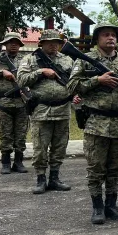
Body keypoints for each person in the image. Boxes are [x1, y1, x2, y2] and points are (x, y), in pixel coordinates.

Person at [67, 23, 118, 224]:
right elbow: (71, 86)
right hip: (97, 122)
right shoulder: (85, 60)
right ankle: (97, 207)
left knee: (116, 167)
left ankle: (111, 204)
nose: (110, 38)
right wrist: (98, 80)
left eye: (113, 35)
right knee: (96, 168)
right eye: (106, 35)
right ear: (97, 39)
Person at [17, 30, 75, 194]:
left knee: (60, 146)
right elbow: (20, 80)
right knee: (40, 147)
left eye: (56, 41)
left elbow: (76, 80)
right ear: (41, 43)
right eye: (49, 41)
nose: (53, 44)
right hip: (41, 110)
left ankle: (55, 178)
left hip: (63, 109)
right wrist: (40, 72)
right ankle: (41, 179)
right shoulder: (30, 59)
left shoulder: (67, 60)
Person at [0, 32, 29, 174]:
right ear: (5, 44)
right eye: (10, 42)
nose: (13, 44)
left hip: (22, 103)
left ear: (20, 45)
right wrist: (1, 72)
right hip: (4, 103)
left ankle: (19, 162)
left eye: (16, 42)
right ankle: (6, 163)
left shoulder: (26, 60)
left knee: (21, 135)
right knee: (5, 134)